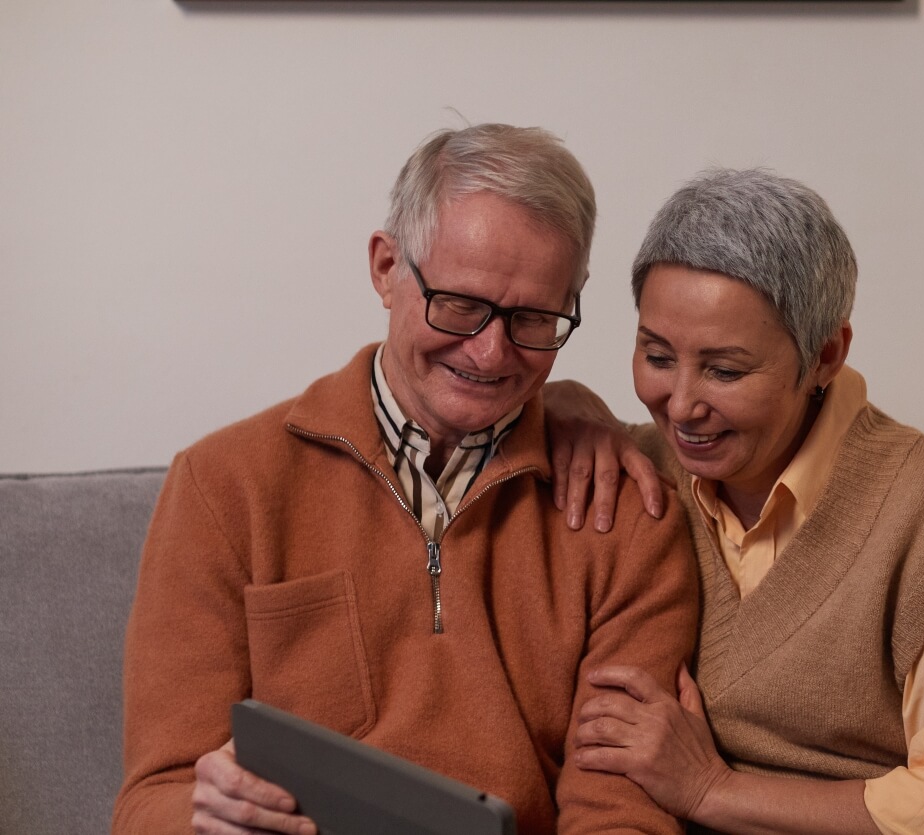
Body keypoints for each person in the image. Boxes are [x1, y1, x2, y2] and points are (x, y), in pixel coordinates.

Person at [112, 124, 697, 835]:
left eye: (533, 318)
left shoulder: (627, 513)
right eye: (459, 303)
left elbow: (621, 813)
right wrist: (204, 816)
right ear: (387, 268)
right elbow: (153, 796)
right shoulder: (222, 485)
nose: (489, 352)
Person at [544, 168, 924, 834]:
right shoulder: (633, 474)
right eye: (657, 355)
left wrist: (713, 788)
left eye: (725, 370)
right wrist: (554, 404)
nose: (681, 405)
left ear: (826, 354)